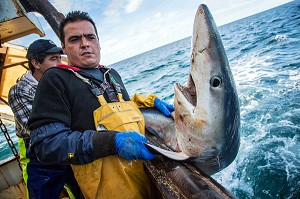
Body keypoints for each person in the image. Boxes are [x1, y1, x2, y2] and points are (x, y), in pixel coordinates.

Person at [28, 11, 174, 199]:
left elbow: (120, 111)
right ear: (64, 48)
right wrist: (111, 142)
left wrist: (147, 104)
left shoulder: (112, 74)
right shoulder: (55, 80)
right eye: (74, 39)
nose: (85, 43)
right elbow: (46, 144)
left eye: (90, 37)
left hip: (145, 180)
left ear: (98, 41)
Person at [8, 39, 81, 199]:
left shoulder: (62, 82)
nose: (60, 64)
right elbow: (37, 129)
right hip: (39, 154)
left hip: (66, 144)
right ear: (35, 62)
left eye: (60, 58)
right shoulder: (20, 91)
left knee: (81, 190)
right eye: (53, 59)